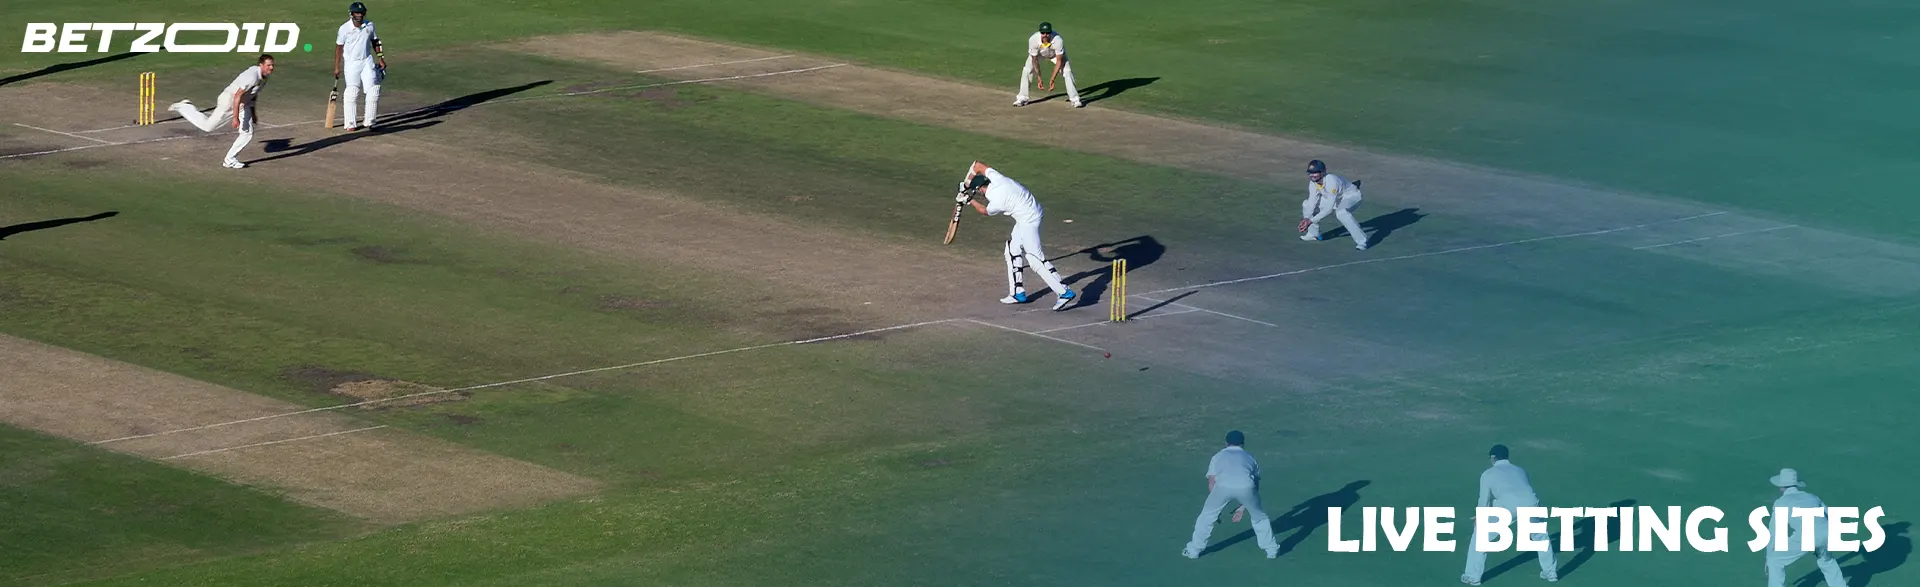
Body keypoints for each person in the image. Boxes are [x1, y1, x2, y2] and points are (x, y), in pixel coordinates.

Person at [959, 161, 1077, 310]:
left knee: (1034, 259)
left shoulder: (997, 200)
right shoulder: (997, 178)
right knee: (1012, 250)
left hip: (1029, 220)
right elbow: (977, 165)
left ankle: (1064, 292)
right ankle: (1017, 293)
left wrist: (968, 200)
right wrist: (967, 182)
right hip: (1027, 213)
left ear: (981, 190)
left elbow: (984, 211)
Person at [1464, 444, 1558, 585]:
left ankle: (1472, 576)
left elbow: (1484, 499)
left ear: (1493, 458)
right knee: (1540, 537)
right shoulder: (1520, 470)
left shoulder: (1487, 474)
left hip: (1508, 508)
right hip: (1532, 504)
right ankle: (1551, 573)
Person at [1182, 430, 1281, 559]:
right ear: (1243, 444)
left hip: (1223, 487)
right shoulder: (1250, 457)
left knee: (1206, 517)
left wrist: (1215, 507)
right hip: (1247, 487)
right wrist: (1243, 507)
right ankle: (1271, 550)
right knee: (1260, 517)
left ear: (1226, 443)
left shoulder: (1217, 456)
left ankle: (1194, 551)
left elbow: (1211, 482)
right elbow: (1255, 485)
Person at [168, 54, 272, 169]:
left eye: (272, 65)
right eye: (268, 65)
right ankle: (184, 107)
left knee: (247, 133)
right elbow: (237, 96)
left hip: (243, 104)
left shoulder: (264, 77)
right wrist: (235, 117)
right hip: (228, 102)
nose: (271, 68)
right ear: (261, 65)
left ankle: (229, 160)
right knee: (207, 127)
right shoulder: (252, 76)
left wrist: (253, 113)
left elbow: (253, 94)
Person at [1764, 468, 1850, 587]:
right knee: (1826, 561)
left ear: (1781, 487)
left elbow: (1775, 533)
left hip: (1808, 535)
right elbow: (1830, 515)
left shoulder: (1781, 502)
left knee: (1775, 560)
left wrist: (1769, 557)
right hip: (1827, 531)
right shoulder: (1812, 497)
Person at [334, 2, 386, 131]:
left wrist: (381, 58)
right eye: (357, 13)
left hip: (366, 60)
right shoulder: (344, 29)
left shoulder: (369, 26)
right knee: (352, 92)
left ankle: (370, 121)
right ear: (351, 14)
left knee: (374, 90)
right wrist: (337, 67)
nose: (359, 15)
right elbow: (339, 48)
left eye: (361, 13)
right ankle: (350, 123)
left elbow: (375, 41)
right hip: (351, 63)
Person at [1299, 159, 1369, 250]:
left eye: (1315, 172)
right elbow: (1312, 202)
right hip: (1335, 199)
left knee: (1341, 213)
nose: (1312, 175)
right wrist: (1306, 219)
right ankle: (1313, 233)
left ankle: (1362, 241)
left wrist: (1311, 221)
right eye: (1310, 173)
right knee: (1306, 204)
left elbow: (1328, 209)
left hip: (1352, 197)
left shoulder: (1332, 181)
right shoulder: (1313, 183)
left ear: (1323, 172)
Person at [1014, 22, 1082, 108]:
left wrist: (1052, 80)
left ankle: (1075, 99)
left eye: (1047, 33)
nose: (1045, 35)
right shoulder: (1033, 40)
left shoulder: (1058, 40)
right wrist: (1039, 77)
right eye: (1043, 33)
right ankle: (1022, 98)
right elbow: (1034, 61)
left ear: (1051, 32)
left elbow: (1059, 61)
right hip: (1040, 54)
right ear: (1040, 33)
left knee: (1067, 71)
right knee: (1027, 69)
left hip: (1055, 55)